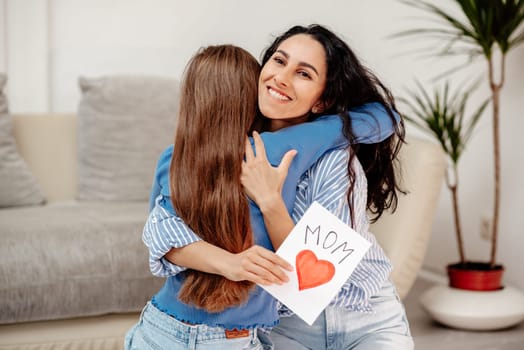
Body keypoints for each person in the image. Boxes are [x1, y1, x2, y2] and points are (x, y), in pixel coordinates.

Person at [132, 24, 414, 349]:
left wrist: (269, 200)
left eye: (303, 74)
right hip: (285, 322)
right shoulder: (226, 150)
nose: (282, 77)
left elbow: (314, 280)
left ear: (322, 101)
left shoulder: (334, 160)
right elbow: (160, 229)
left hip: (361, 314)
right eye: (279, 61)